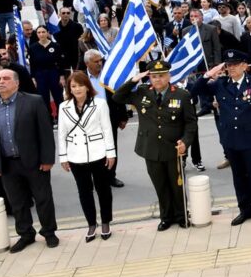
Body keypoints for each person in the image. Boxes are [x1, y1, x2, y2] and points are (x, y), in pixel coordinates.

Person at [113, 61, 197, 231]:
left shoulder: (181, 95)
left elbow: (191, 123)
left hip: (173, 148)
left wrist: (185, 142)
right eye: (154, 76)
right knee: (160, 185)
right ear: (149, 77)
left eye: (161, 76)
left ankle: (182, 215)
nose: (158, 79)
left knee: (177, 185)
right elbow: (117, 97)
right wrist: (133, 80)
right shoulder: (142, 92)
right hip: (150, 148)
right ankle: (166, 217)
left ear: (169, 76)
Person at [193, 50, 251, 225]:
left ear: (244, 66)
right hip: (230, 139)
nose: (231, 68)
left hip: (250, 139)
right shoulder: (220, 84)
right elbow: (194, 90)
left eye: (235, 64)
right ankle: (244, 210)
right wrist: (208, 74)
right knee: (238, 177)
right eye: (228, 65)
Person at [0, 67, 58, 252]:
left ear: (16, 83)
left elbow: (45, 132)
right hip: (7, 164)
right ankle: (26, 234)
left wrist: (47, 159)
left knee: (43, 199)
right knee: (17, 202)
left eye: (5, 78)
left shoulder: (33, 101)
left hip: (34, 161)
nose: (1, 82)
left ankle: (49, 232)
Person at [57, 71, 116, 242]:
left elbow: (107, 129)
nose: (77, 89)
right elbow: (62, 133)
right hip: (76, 156)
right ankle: (91, 224)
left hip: (98, 153)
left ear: (88, 87)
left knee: (103, 190)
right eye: (73, 86)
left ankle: (106, 222)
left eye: (80, 85)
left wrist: (111, 153)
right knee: (84, 192)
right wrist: (63, 157)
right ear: (69, 89)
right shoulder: (63, 107)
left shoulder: (100, 104)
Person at [83, 49, 129, 186]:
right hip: (89, 120)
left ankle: (110, 176)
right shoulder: (81, 78)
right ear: (87, 63)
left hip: (109, 117)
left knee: (111, 147)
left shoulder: (109, 76)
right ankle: (95, 177)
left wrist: (123, 117)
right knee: (92, 148)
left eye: (100, 60)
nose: (99, 63)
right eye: (96, 61)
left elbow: (119, 95)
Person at [29, 25, 67, 123]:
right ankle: (48, 120)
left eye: (43, 32)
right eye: (39, 32)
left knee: (58, 97)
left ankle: (61, 118)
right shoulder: (33, 47)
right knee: (43, 98)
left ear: (47, 33)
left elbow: (61, 63)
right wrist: (33, 78)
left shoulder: (55, 46)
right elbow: (32, 64)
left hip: (54, 73)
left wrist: (62, 76)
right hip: (40, 75)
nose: (41, 34)